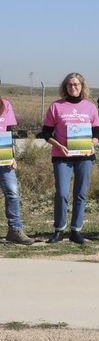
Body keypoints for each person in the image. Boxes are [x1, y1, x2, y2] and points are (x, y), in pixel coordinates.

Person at [40, 72, 99, 244]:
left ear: (82, 86)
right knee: (61, 193)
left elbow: (97, 131)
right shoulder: (56, 106)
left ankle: (76, 230)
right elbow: (46, 133)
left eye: (76, 84)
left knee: (80, 194)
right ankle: (59, 229)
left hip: (84, 156)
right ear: (65, 87)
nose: (73, 87)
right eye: (70, 84)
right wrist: (58, 145)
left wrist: (93, 142)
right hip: (62, 156)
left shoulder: (90, 107)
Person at [0, 97, 35, 245]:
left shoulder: (5, 104)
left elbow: (9, 133)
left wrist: (12, 156)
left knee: (12, 192)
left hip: (3, 158)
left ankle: (14, 230)